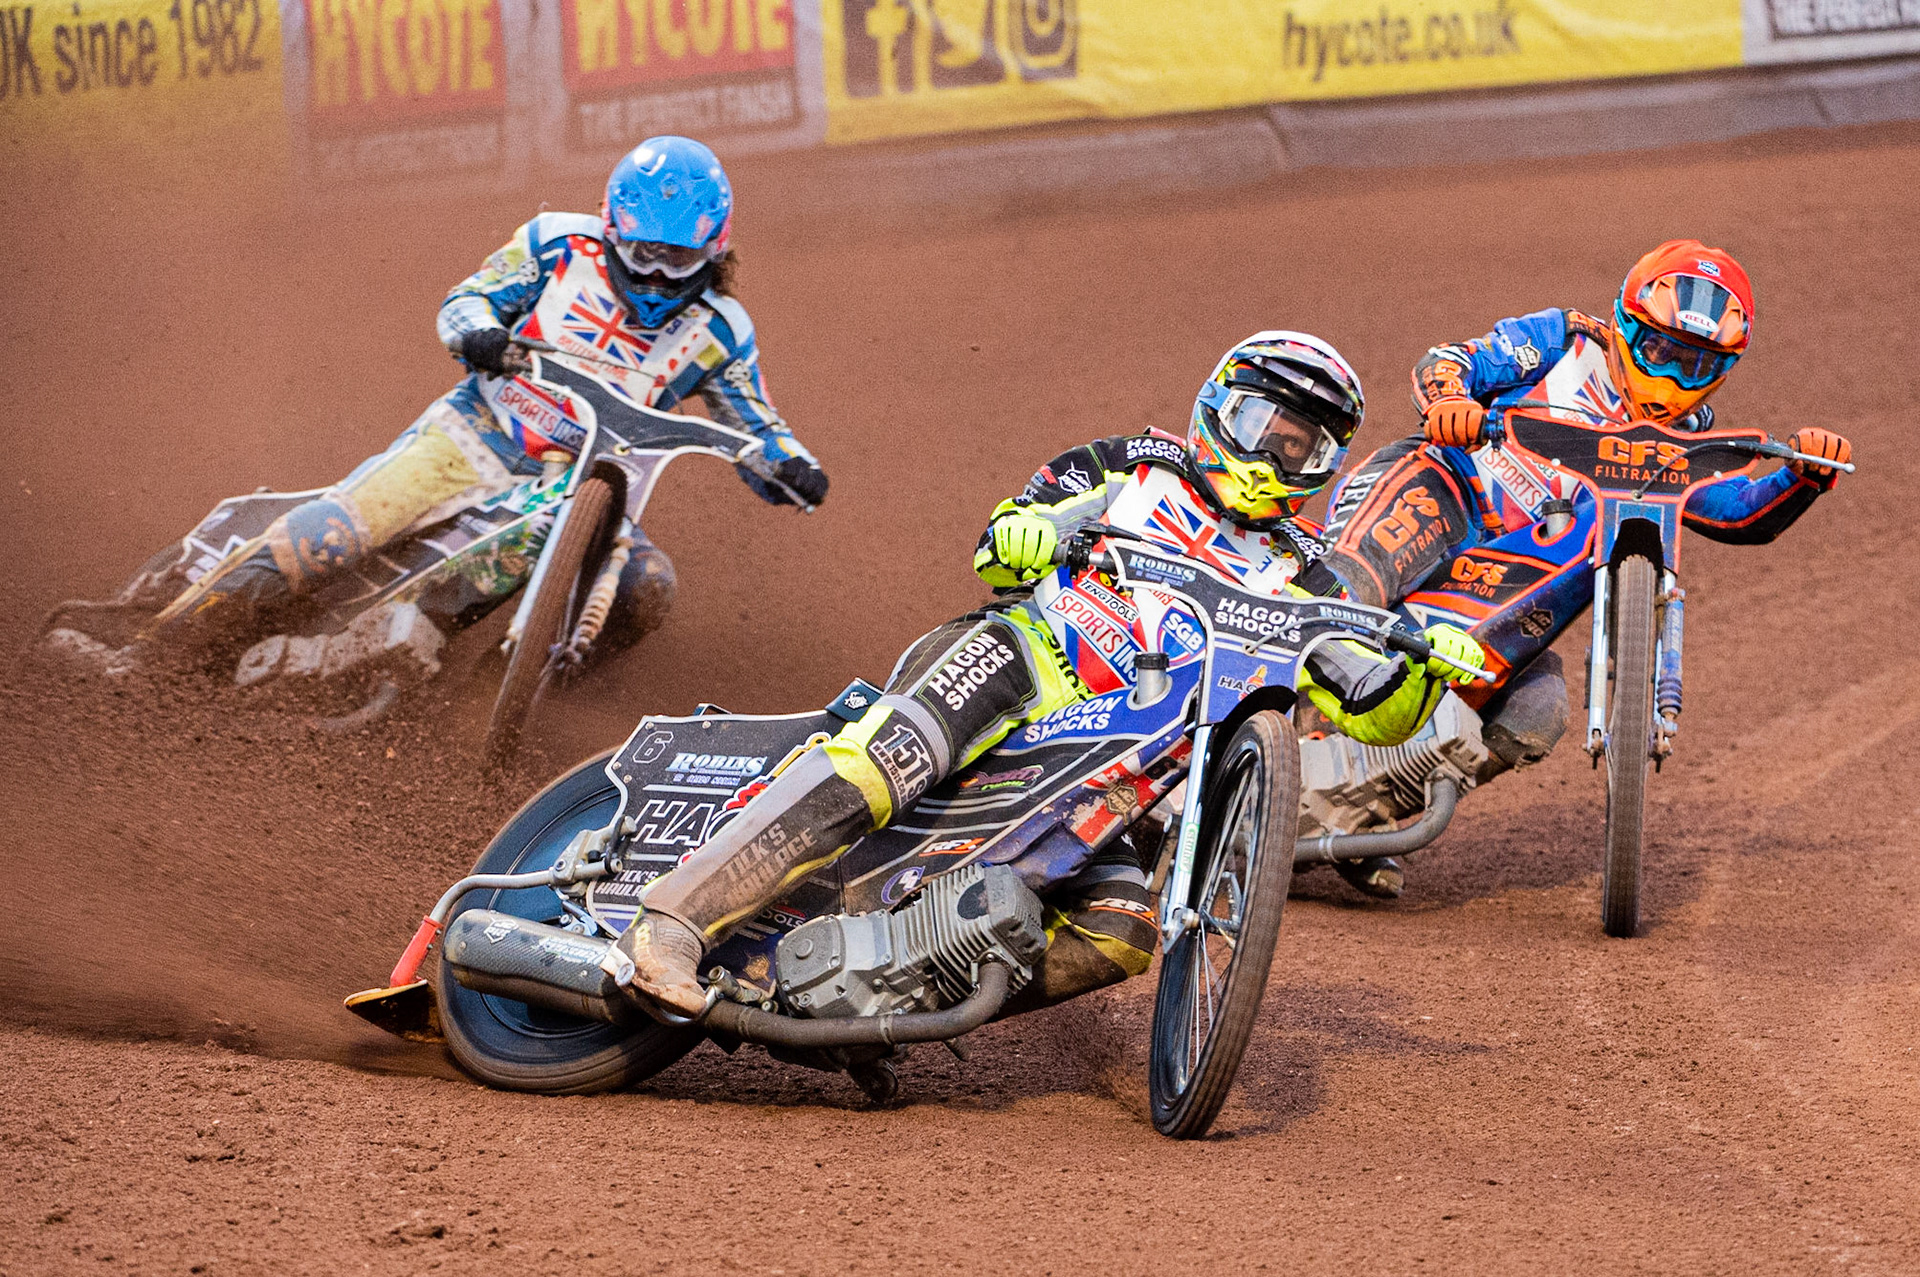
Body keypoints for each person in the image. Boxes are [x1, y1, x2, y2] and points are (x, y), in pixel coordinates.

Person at [615, 332, 1487, 1018]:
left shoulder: (1311, 573)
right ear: (1223, 408)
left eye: (1303, 443)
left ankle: (878, 1000)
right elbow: (1009, 534)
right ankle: (674, 921)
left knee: (1119, 935)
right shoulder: (1132, 467)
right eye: (1267, 425)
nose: (1278, 452)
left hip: (1131, 760)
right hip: (1030, 662)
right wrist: (1025, 537)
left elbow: (1371, 707)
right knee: (894, 752)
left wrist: (1424, 668)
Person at [1297, 239, 1853, 898]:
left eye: (1697, 363)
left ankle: (1342, 814)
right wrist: (1450, 399)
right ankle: (1220, 719)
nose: (1674, 376)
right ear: (1624, 326)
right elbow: (1450, 361)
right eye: (1661, 351)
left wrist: (1802, 477)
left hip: (1504, 585)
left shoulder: (1688, 437)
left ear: (1723, 370)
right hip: (1446, 489)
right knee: (1354, 584)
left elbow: (1732, 512)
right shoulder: (1563, 341)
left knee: (1536, 710)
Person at [133, 135, 827, 654]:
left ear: (713, 251)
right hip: (473, 437)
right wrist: (480, 334)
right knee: (333, 534)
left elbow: (756, 426)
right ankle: (159, 647)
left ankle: (530, 683)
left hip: (586, 486)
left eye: (675, 260)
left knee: (646, 589)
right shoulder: (557, 244)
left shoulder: (721, 331)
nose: (651, 276)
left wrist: (791, 467)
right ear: (611, 227)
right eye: (640, 251)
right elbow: (466, 301)